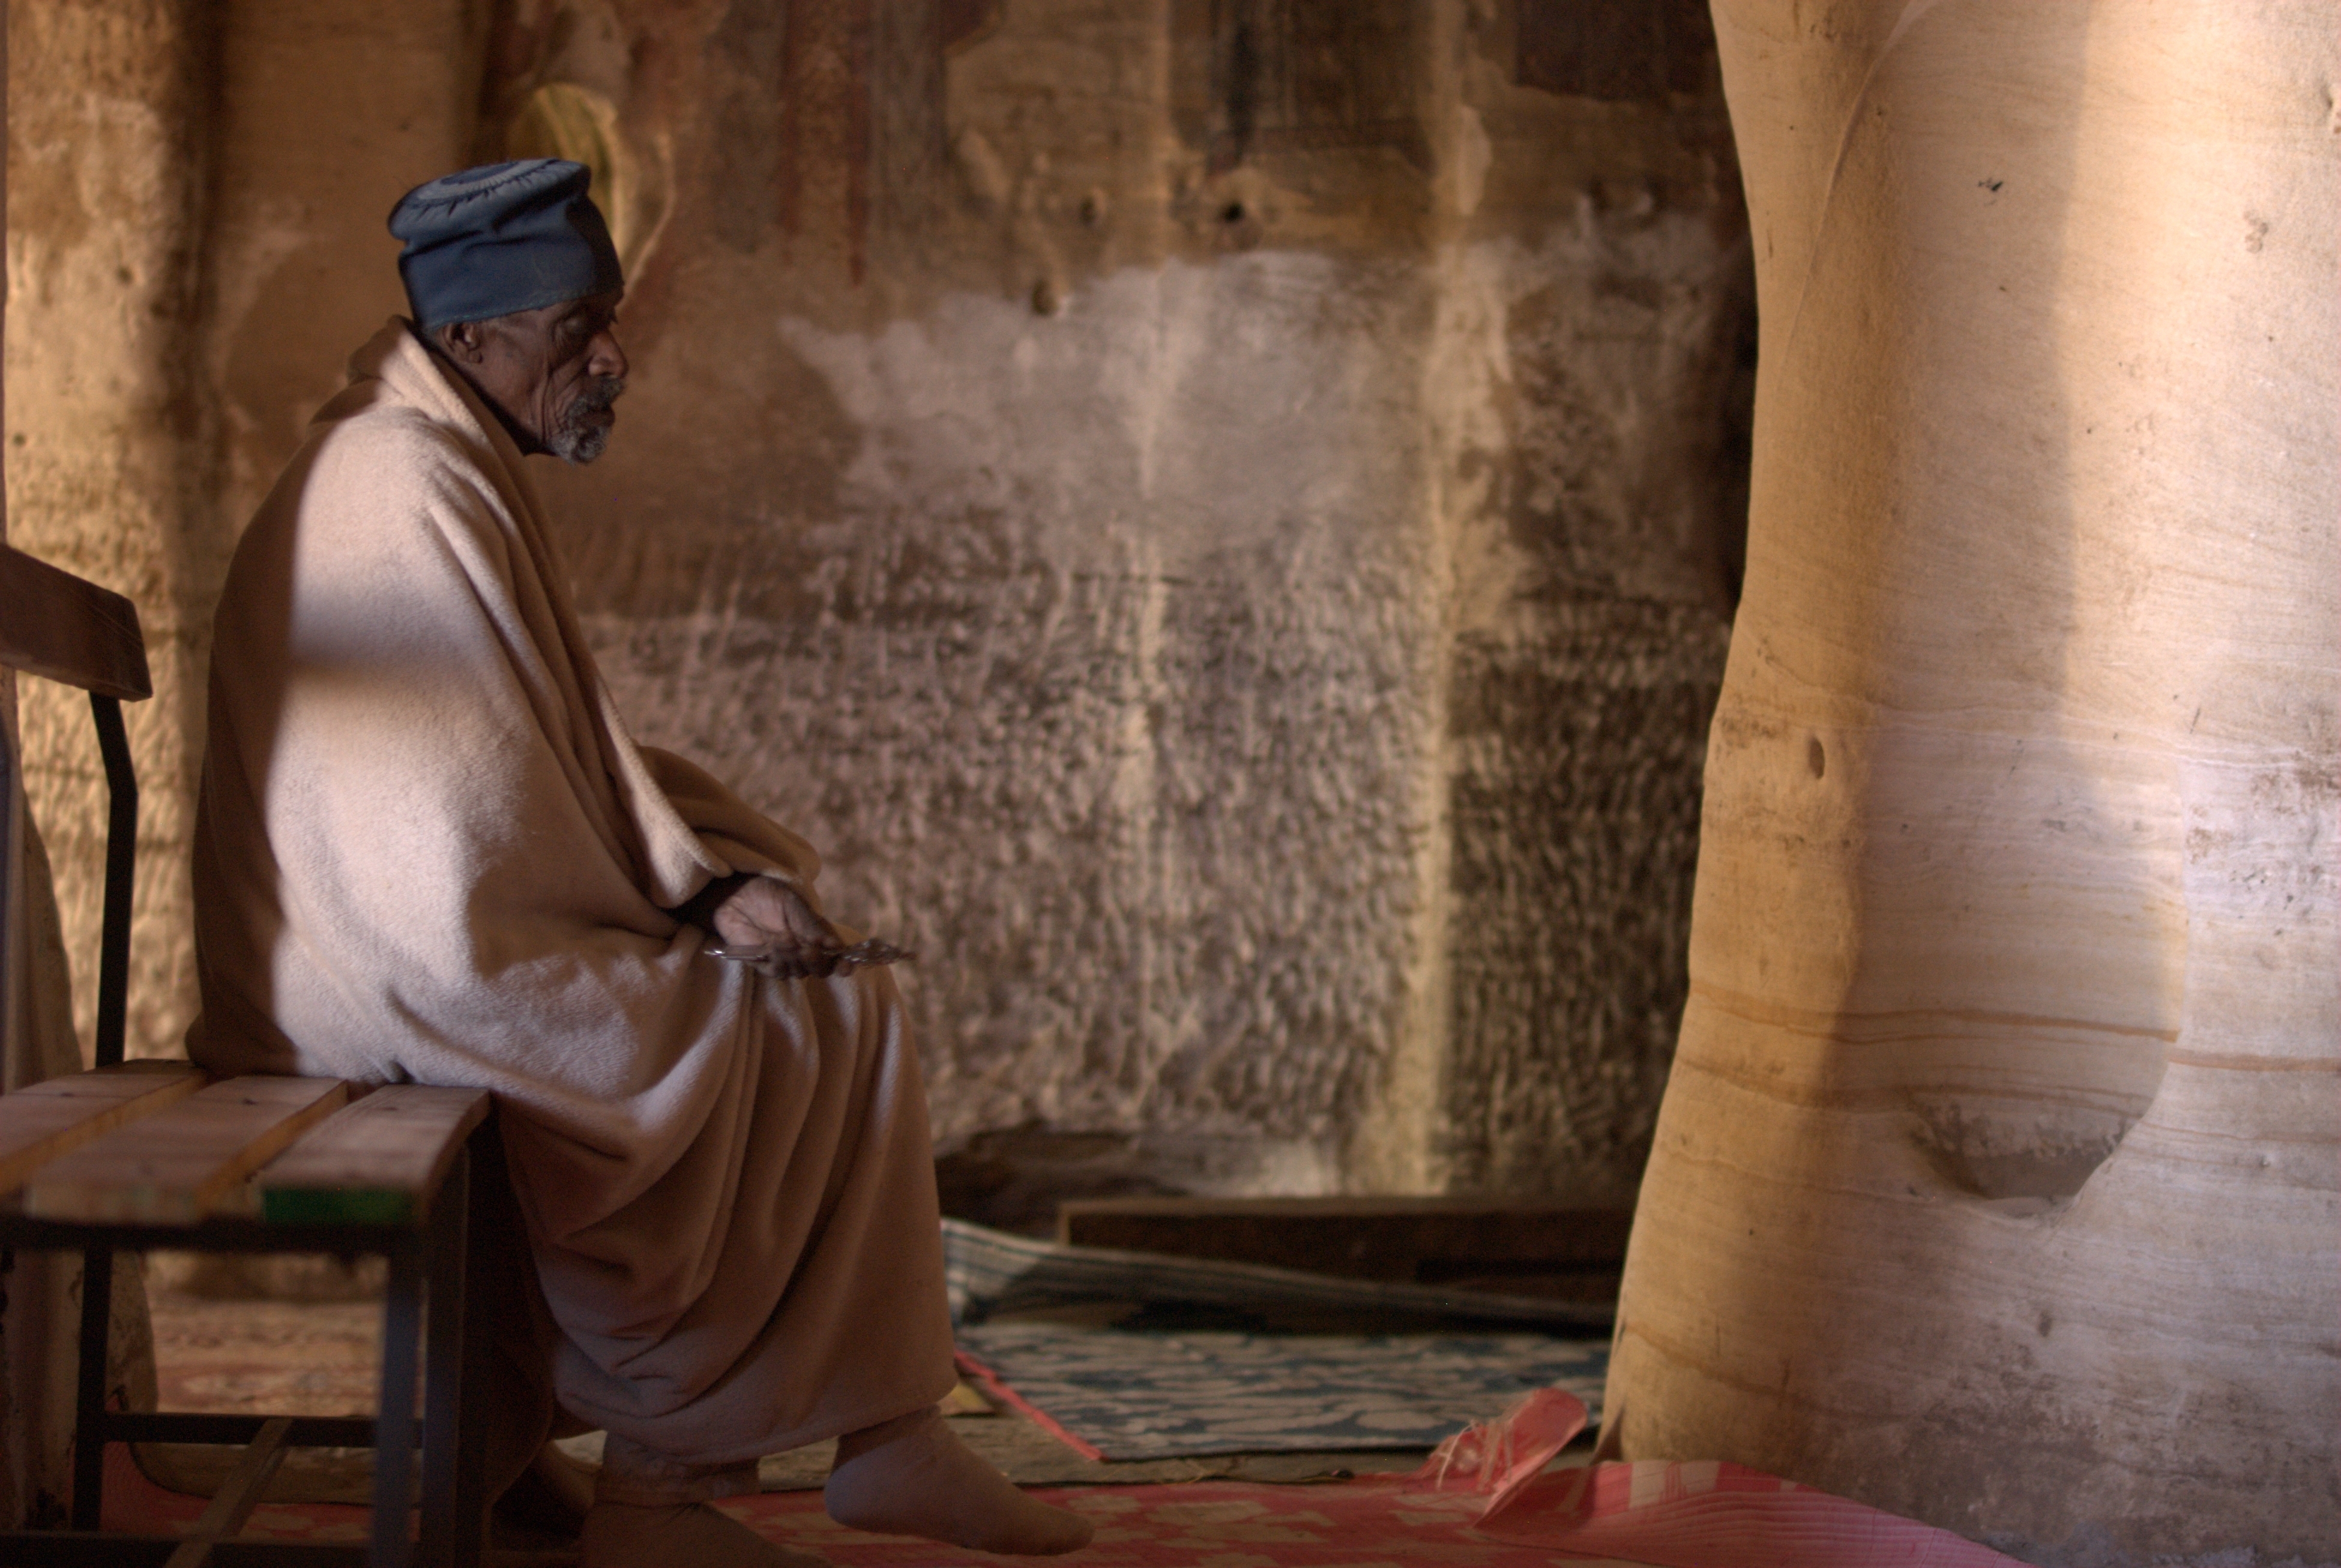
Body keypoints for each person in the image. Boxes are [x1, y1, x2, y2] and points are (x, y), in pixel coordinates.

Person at [185, 159, 1094, 1568]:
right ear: (475, 340)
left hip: (390, 948)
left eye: (607, 318)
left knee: (781, 976)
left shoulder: (425, 450)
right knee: (811, 1014)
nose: (614, 355)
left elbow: (512, 784)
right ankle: (678, 1493)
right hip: (398, 977)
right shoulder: (404, 481)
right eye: (579, 326)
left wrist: (702, 879)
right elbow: (468, 850)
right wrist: (698, 889)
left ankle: (810, 1441)